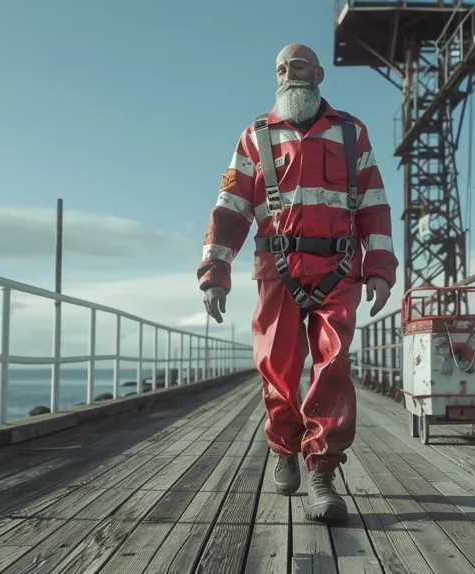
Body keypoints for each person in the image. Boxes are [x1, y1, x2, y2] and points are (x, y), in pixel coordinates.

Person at [196, 43, 398, 524]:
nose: (289, 74)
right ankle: (284, 447)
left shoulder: (352, 133)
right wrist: (214, 273)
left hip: (339, 269)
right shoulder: (255, 137)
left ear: (319, 74)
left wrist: (381, 269)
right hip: (277, 270)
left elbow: (374, 204)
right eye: (282, 68)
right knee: (276, 367)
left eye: (298, 66)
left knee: (333, 365)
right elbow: (229, 210)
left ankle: (323, 474)